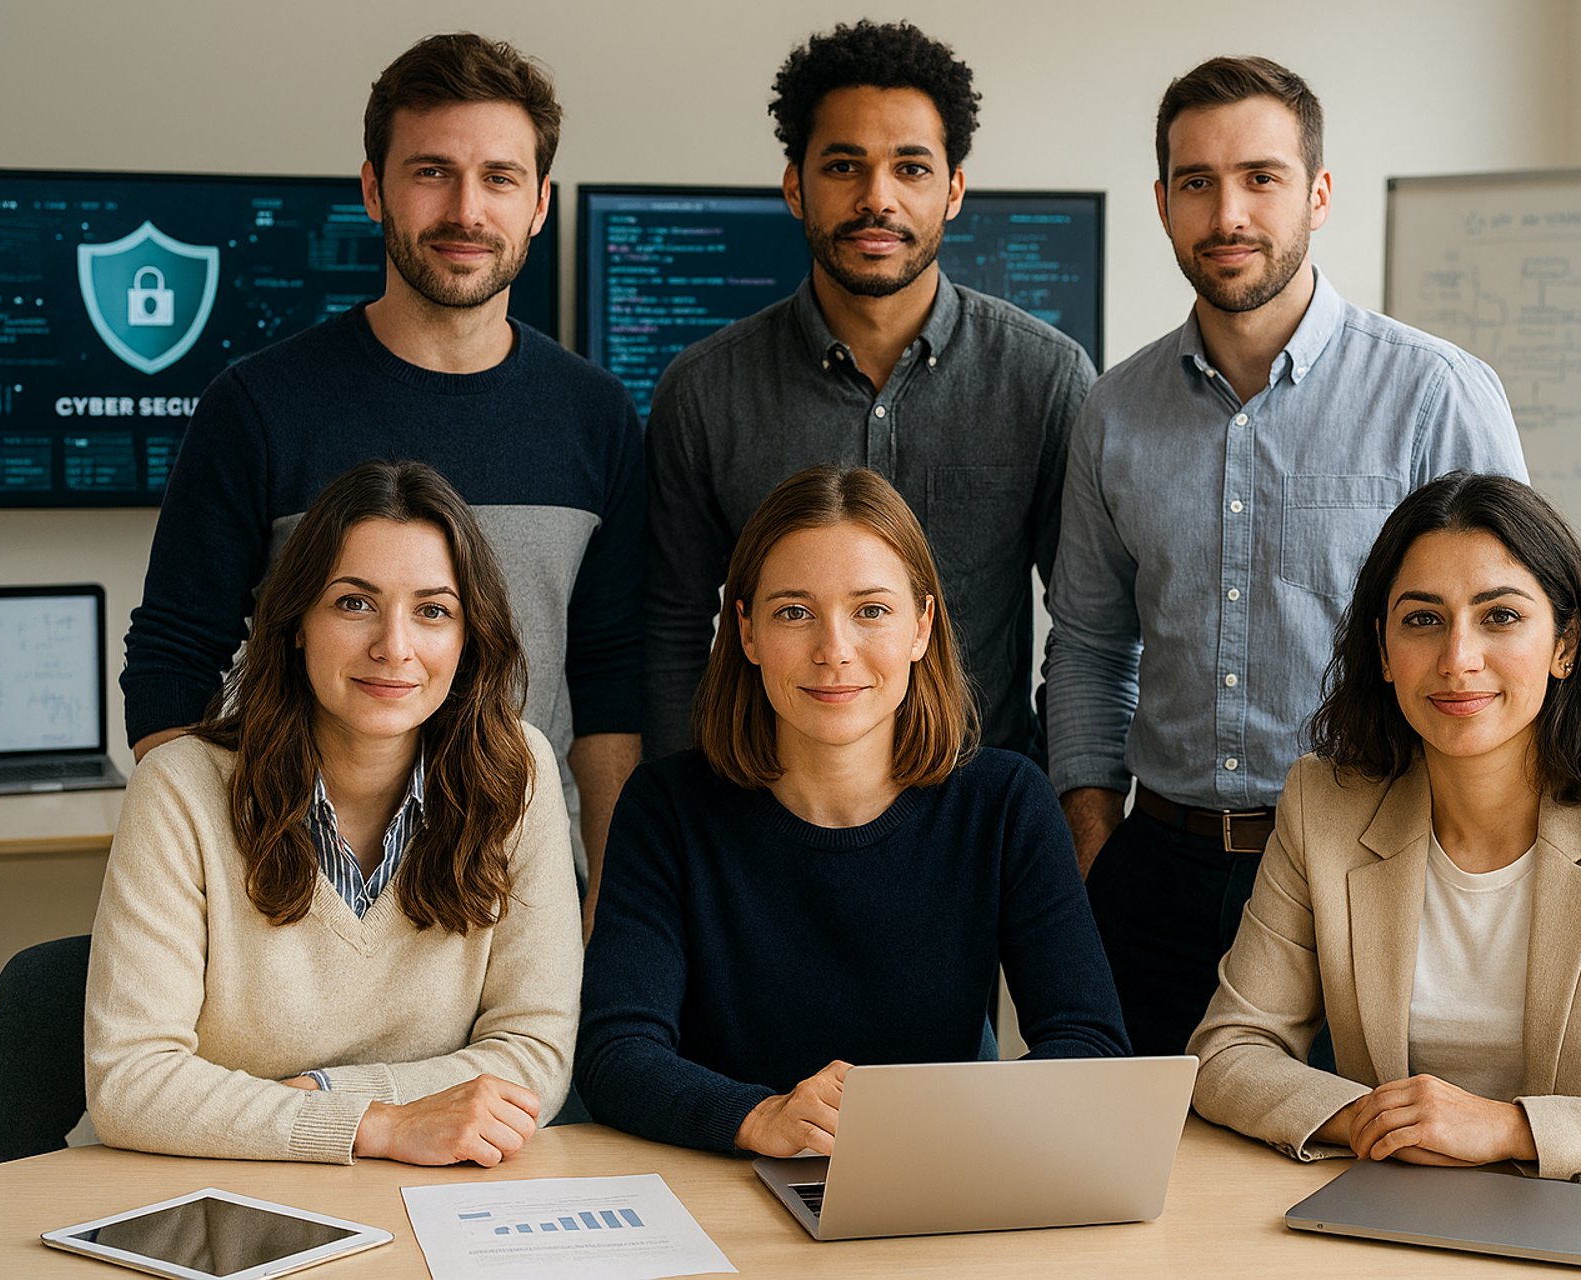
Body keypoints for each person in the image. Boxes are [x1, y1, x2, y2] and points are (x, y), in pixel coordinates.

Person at [1045, 55, 1527, 1055]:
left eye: (1260, 178)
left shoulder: (1434, 395)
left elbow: (1506, 648)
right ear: (1163, 204)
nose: (1228, 213)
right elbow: (1089, 644)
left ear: (1317, 194)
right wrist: (1094, 849)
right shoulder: (1113, 411)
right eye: (1197, 182)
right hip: (1159, 876)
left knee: (1354, 1141)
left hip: (1372, 864)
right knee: (1148, 1147)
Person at [121, 33, 643, 933]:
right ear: (373, 189)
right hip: (294, 899)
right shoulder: (259, 406)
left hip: (519, 893)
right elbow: (172, 660)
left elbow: (611, 681)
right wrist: (215, 865)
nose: (466, 210)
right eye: (432, 172)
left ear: (539, 205)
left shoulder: (595, 416)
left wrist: (608, 898)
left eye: (499, 178)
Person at [1188, 471, 1581, 1183]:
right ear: (1383, 651)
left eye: (1500, 616)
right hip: (1394, 1209)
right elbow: (1227, 1052)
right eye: (1423, 620)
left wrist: (1508, 1129)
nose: (1458, 660)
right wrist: (1374, 1121)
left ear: (1565, 644)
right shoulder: (1323, 804)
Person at [578, 466, 1128, 1155]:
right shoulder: (666, 808)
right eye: (794, 612)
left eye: (871, 611)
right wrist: (760, 1116)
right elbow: (616, 1053)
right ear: (746, 632)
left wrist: (928, 1124)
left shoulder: (1006, 800)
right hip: (725, 1181)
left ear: (922, 627)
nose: (833, 652)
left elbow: (1090, 1044)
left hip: (937, 1175)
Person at [87, 460, 584, 1166]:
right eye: (354, 603)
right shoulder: (179, 789)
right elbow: (130, 1082)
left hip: (429, 1192)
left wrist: (326, 1096)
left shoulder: (516, 774)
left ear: (468, 636)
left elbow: (533, 1053)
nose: (394, 647)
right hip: (199, 1185)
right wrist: (376, 1125)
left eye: (433, 611)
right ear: (296, 623)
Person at [641, 19, 1094, 767]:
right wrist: (682, 812)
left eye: (910, 168)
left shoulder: (1045, 379)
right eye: (844, 166)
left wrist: (1057, 806)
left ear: (953, 190)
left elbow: (1087, 632)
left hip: (978, 798)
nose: (877, 198)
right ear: (796, 186)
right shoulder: (704, 390)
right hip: (768, 799)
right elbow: (670, 631)